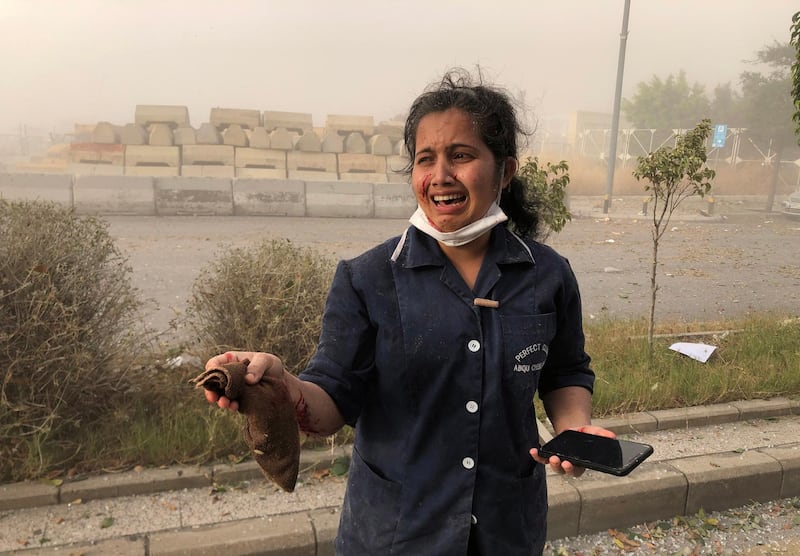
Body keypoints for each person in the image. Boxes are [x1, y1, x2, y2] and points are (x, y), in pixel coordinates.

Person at [203, 68, 614, 556]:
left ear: (504, 171)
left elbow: (565, 372)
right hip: (395, 535)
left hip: (507, 529)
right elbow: (331, 398)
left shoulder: (546, 274)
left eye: (461, 156)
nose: (441, 176)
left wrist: (572, 432)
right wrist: (282, 385)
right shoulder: (367, 279)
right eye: (426, 159)